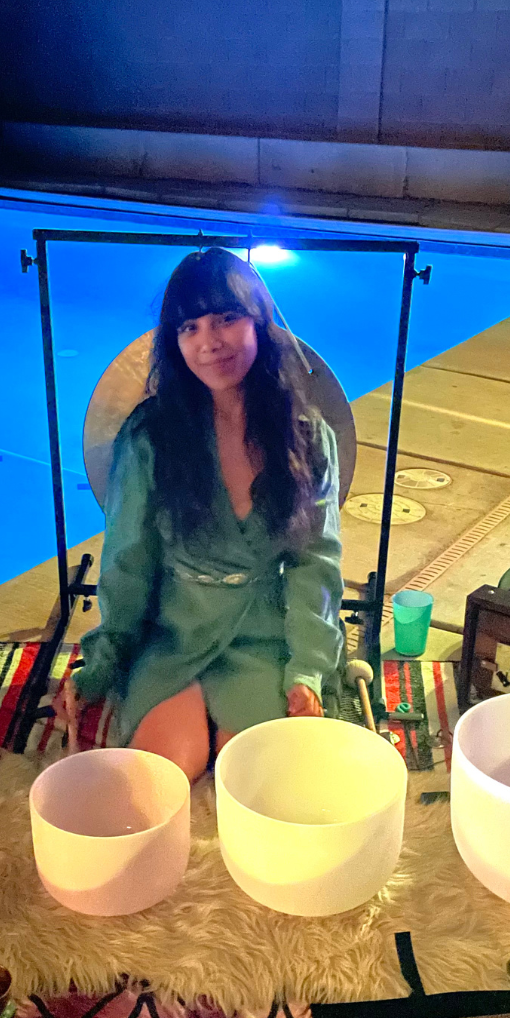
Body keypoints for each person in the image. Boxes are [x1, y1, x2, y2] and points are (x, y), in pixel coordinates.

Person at [57, 246, 344, 782]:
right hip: (174, 634)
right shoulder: (150, 438)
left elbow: (315, 565)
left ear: (258, 321)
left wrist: (306, 670)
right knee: (159, 778)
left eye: (227, 318)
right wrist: (102, 663)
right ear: (175, 340)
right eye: (190, 327)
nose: (209, 342)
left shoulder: (308, 437)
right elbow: (128, 561)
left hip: (265, 635)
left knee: (258, 781)